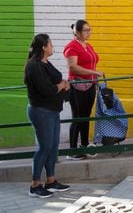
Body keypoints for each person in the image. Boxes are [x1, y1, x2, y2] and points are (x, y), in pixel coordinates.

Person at [24, 34, 71, 198]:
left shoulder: (45, 63)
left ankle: (51, 181)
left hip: (52, 110)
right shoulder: (34, 66)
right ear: (43, 47)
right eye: (50, 44)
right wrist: (62, 85)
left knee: (53, 147)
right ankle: (35, 185)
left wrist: (63, 84)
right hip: (41, 111)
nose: (52, 46)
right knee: (44, 147)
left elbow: (55, 81)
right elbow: (47, 90)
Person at [64, 20, 103, 160]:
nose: (89, 32)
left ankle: (85, 145)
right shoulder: (71, 47)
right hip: (77, 86)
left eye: (89, 29)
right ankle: (72, 150)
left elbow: (92, 61)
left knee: (86, 116)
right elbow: (72, 67)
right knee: (78, 117)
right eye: (86, 30)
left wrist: (94, 75)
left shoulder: (88, 46)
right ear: (77, 32)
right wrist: (94, 72)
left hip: (90, 85)